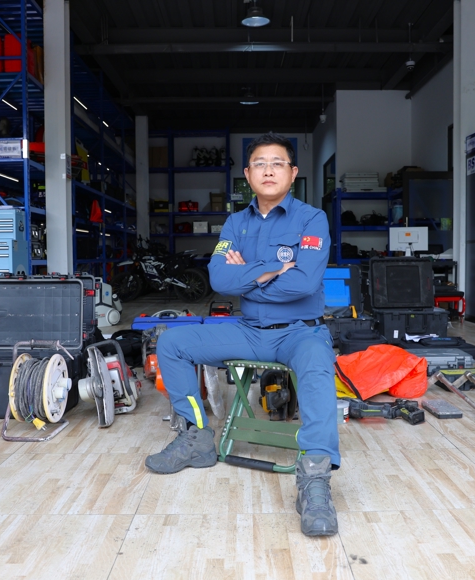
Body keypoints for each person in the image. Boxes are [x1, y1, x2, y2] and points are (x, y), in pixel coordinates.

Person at [144, 132, 340, 537]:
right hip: (250, 331)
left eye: (278, 163)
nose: (269, 170)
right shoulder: (236, 222)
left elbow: (305, 283)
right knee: (173, 342)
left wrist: (247, 277)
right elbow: (219, 278)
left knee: (318, 365)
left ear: (293, 173)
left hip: (300, 333)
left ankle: (315, 479)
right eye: (260, 164)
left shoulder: (312, 219)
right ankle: (196, 438)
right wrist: (272, 270)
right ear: (248, 175)